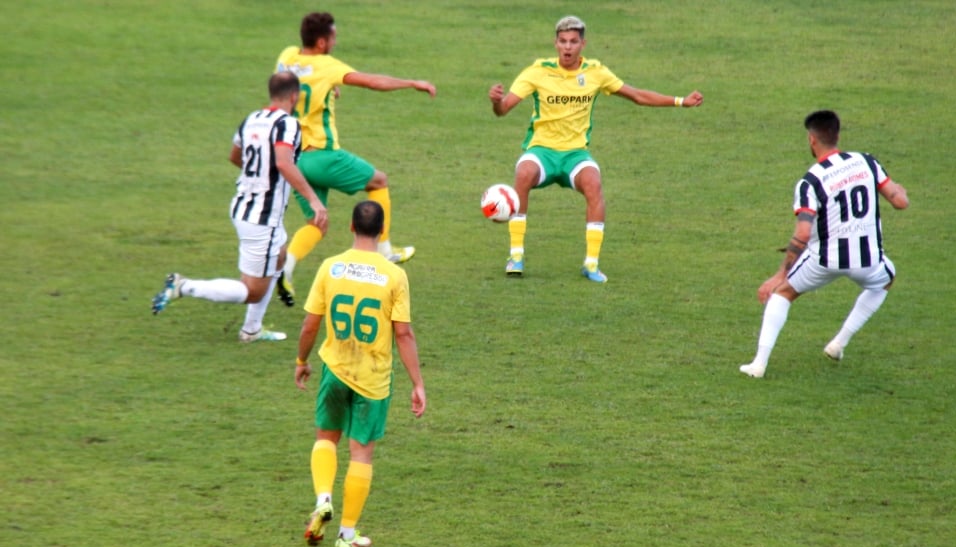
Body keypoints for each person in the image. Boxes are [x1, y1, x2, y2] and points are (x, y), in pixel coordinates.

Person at [488, 15, 703, 283]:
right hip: (542, 150)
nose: (568, 47)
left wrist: (680, 101)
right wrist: (496, 101)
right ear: (555, 43)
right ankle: (516, 256)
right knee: (523, 173)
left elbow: (636, 96)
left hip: (575, 154)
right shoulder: (537, 71)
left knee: (593, 182)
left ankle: (591, 264)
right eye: (563, 41)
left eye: (573, 42)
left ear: (583, 44)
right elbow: (503, 109)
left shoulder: (595, 72)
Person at [151, 72, 328, 343]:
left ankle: (252, 330)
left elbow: (235, 156)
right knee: (253, 290)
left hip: (243, 207)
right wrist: (314, 201)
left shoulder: (250, 120)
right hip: (262, 218)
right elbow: (283, 162)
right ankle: (183, 286)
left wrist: (258, 175)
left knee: (280, 256)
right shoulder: (288, 124)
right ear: (294, 96)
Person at [275, 11, 436, 304]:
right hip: (322, 155)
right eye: (334, 37)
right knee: (379, 181)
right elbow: (372, 81)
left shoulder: (286, 57)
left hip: (294, 160)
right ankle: (385, 250)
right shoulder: (328, 65)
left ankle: (286, 267)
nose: (336, 42)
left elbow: (293, 87)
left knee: (317, 222)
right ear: (323, 42)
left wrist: (326, 91)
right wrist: (412, 82)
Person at [295, 200, 427, 547]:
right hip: (373, 379)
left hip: (335, 369)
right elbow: (403, 334)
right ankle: (346, 533)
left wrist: (301, 360)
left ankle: (323, 497)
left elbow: (310, 323)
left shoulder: (330, 267)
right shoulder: (394, 276)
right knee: (361, 453)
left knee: (326, 437)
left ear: (351, 227)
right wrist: (417, 383)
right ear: (382, 231)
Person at [740, 110, 909, 378]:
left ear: (811, 139)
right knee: (886, 280)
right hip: (867, 260)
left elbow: (804, 233)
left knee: (783, 293)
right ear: (837, 135)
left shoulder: (811, 181)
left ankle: (759, 364)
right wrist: (900, 189)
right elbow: (899, 202)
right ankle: (839, 343)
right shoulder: (866, 161)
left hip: (824, 260)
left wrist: (779, 274)